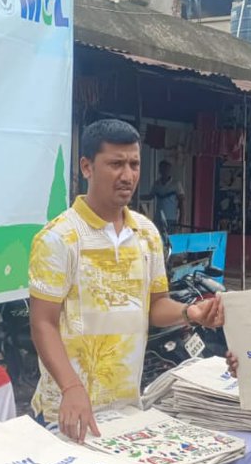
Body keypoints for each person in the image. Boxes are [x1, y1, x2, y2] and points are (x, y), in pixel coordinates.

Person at [29, 119, 222, 442]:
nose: (128, 175)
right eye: (116, 164)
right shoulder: (59, 238)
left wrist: (190, 312)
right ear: (87, 167)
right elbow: (42, 323)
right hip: (66, 411)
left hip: (127, 412)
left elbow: (155, 306)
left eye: (134, 164)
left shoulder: (146, 233)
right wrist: (71, 387)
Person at [143, 160, 185, 238]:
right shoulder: (157, 184)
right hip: (158, 218)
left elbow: (181, 203)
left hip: (171, 219)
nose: (165, 171)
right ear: (160, 170)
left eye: (167, 169)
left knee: (170, 240)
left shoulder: (176, 184)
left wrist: (181, 220)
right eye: (162, 169)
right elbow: (150, 197)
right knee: (158, 239)